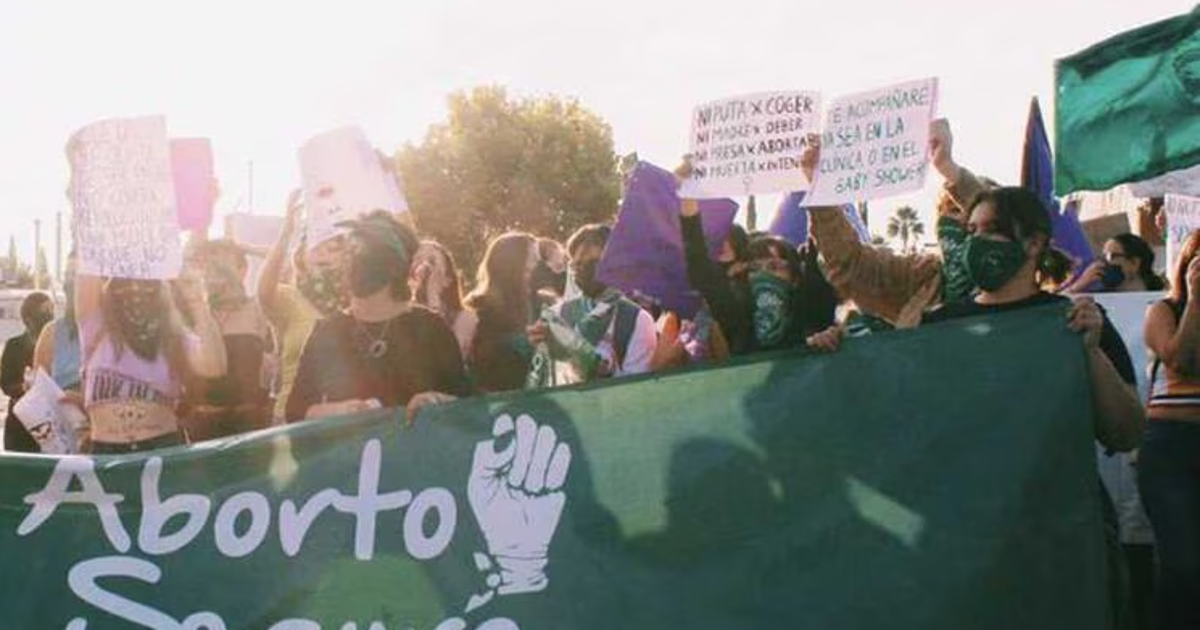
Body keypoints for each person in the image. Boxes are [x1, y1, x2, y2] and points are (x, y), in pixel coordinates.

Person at [286, 211, 468, 422]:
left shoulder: (430, 327)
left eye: (363, 256)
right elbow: (295, 412)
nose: (351, 263)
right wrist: (343, 411)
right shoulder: (328, 332)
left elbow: (468, 406)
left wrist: (436, 401)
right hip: (354, 443)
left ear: (393, 266)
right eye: (349, 253)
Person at [803, 119, 985, 328]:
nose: (963, 221)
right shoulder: (923, 277)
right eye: (952, 211)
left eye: (968, 210)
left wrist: (948, 168)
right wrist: (820, 190)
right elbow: (852, 265)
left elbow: (1006, 221)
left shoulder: (1016, 273)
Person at [75, 269, 227, 454]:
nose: (135, 292)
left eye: (147, 285)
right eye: (124, 283)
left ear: (161, 291)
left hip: (162, 448)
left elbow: (214, 367)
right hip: (106, 452)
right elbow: (88, 265)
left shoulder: (173, 335)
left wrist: (197, 302)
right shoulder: (96, 326)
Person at [1140, 229, 1200, 630]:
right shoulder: (1163, 311)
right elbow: (1181, 359)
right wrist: (1196, 301)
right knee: (1183, 564)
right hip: (1172, 447)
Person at [526, 224, 657, 387]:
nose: (584, 271)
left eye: (594, 263)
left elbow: (635, 389)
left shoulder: (637, 320)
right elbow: (544, 381)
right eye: (578, 264)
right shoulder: (557, 315)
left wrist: (588, 361)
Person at [258, 191, 346, 423]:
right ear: (301, 257)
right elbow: (264, 290)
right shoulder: (289, 298)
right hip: (292, 420)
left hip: (346, 417)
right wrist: (287, 231)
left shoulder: (357, 302)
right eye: (316, 247)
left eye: (333, 248)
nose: (324, 254)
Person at [180, 237, 272, 440]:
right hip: (201, 428)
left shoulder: (256, 308)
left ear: (242, 269)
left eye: (223, 260)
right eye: (208, 261)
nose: (214, 268)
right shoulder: (190, 312)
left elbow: (283, 266)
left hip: (249, 427)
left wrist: (247, 247)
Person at [465, 232, 541, 393]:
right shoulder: (479, 306)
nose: (537, 262)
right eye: (532, 257)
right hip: (495, 395)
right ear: (513, 261)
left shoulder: (533, 301)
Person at [2, 292, 55, 452]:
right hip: (20, 422)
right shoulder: (14, 345)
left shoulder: (58, 345)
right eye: (44, 311)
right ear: (28, 319)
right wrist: (24, 387)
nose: (50, 315)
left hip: (50, 423)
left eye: (51, 309)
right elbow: (5, 383)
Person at [409, 240, 478, 362]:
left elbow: (447, 360)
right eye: (418, 260)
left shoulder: (466, 319)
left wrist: (432, 295)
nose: (424, 268)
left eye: (432, 261)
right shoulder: (397, 315)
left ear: (448, 279)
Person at [33, 253, 82, 393]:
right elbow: (39, 389)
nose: (69, 282)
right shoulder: (51, 333)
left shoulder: (114, 333)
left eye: (76, 275)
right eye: (67, 275)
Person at [1065, 233, 1167, 294]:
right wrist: (1079, 285)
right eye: (1103, 257)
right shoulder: (1098, 300)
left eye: (1110, 256)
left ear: (1134, 263)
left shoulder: (1163, 296)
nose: (1104, 263)